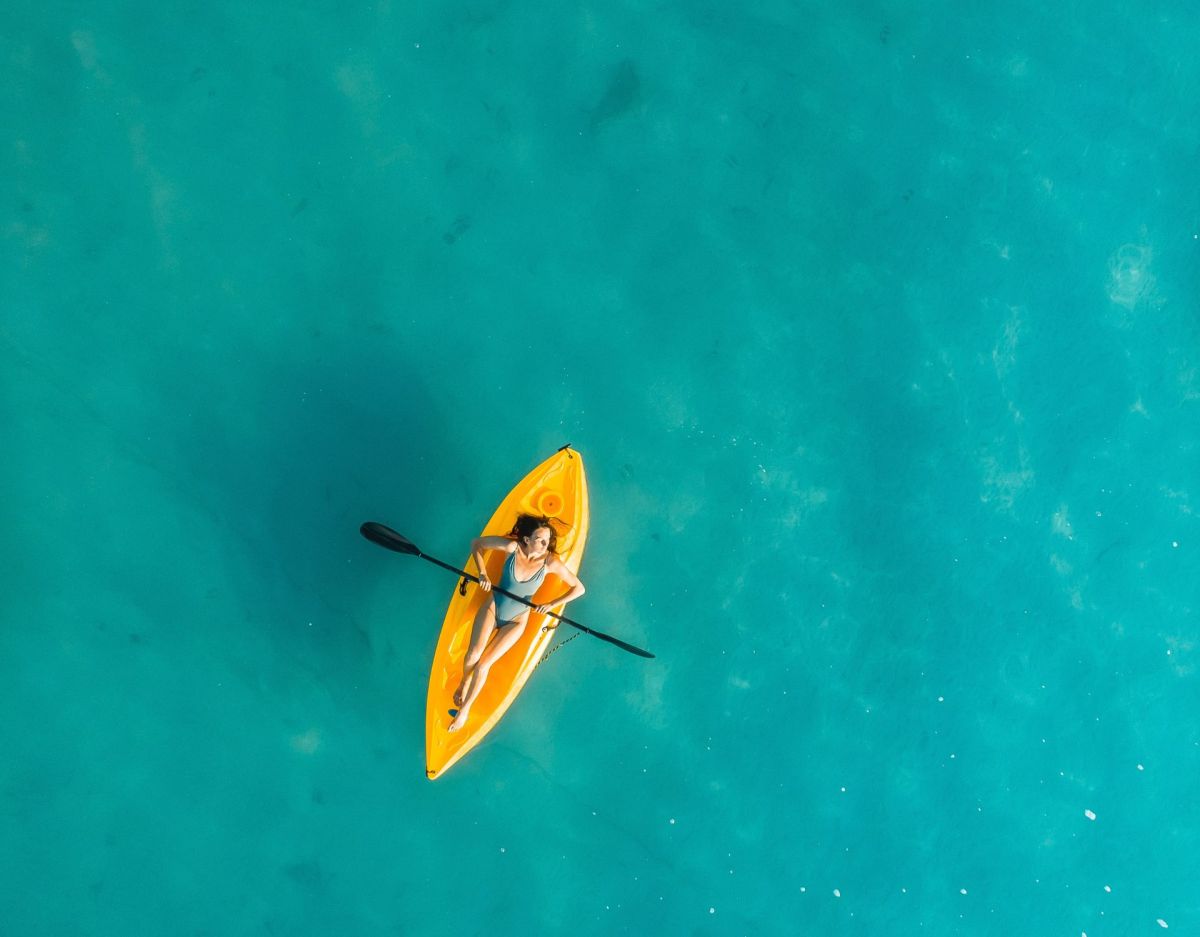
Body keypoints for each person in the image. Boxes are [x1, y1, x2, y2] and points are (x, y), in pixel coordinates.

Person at [448, 514, 585, 732]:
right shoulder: (512, 547)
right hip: (493, 606)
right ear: (527, 540)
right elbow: (477, 544)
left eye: (547, 540)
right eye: (539, 539)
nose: (544, 544)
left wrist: (550, 604)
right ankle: (465, 681)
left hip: (517, 619)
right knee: (473, 655)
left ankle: (465, 710)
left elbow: (579, 589)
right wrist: (482, 573)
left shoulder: (550, 562)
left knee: (484, 664)